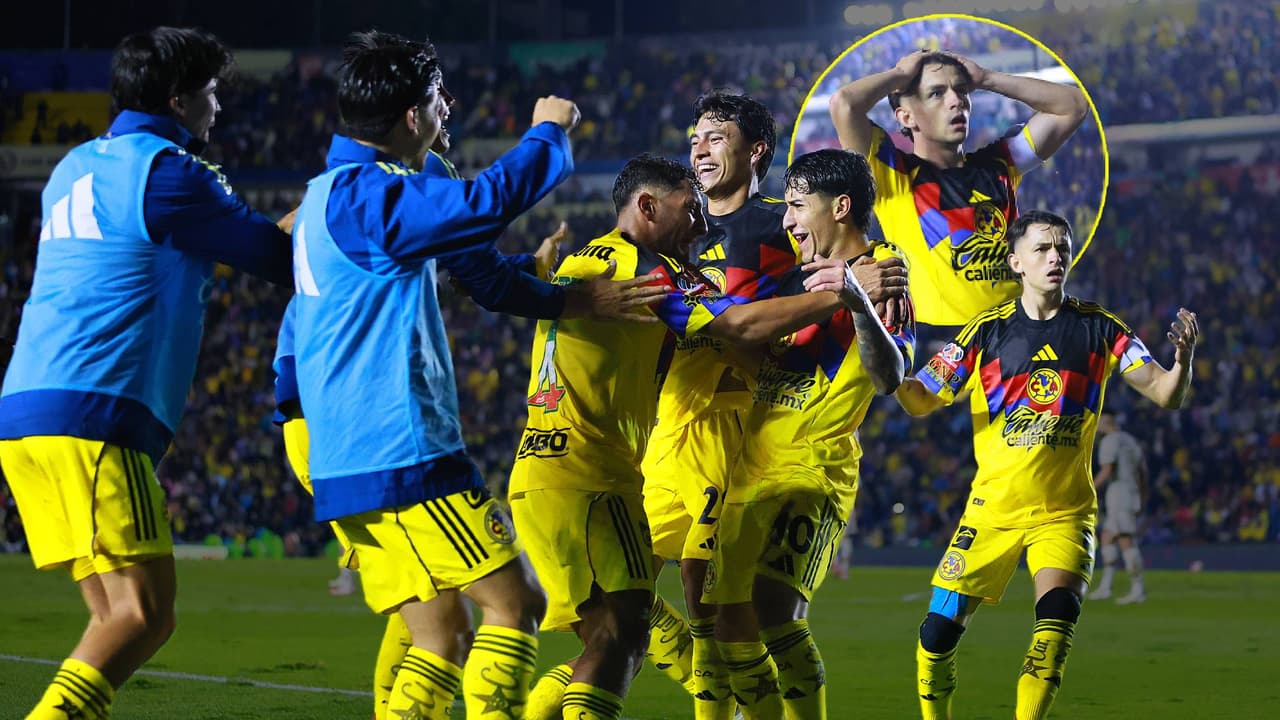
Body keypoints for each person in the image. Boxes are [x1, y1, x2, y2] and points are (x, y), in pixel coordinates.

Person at [290, 30, 668, 720]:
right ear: (412, 116)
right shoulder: (365, 195)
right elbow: (488, 201)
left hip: (350, 446)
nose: (448, 107)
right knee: (513, 604)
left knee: (438, 636)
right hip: (397, 446)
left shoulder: (335, 194)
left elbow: (485, 278)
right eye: (438, 98)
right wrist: (547, 134)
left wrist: (563, 294)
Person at [0, 26, 295, 719]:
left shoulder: (73, 164)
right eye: (211, 93)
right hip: (94, 410)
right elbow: (276, 259)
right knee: (144, 615)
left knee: (112, 617)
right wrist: (338, 203)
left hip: (27, 411)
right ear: (178, 100)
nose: (218, 108)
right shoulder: (167, 172)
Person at [512, 154, 863, 720]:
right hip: (595, 474)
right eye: (691, 209)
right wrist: (846, 290)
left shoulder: (585, 260)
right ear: (647, 207)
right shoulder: (650, 271)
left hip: (545, 469)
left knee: (619, 633)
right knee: (640, 632)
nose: (703, 225)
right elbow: (739, 325)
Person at [895, 210, 1197, 720]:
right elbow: (918, 399)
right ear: (1016, 261)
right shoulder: (984, 333)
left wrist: (1184, 360)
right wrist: (889, 356)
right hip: (991, 510)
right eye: (1041, 248)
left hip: (1065, 512)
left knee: (1055, 625)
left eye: (1062, 246)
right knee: (937, 632)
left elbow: (1166, 394)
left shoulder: (1102, 329)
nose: (1055, 256)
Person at [702, 148, 913, 720]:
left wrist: (858, 302)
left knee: (775, 609)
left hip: (813, 469)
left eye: (798, 207)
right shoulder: (790, 280)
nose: (789, 220)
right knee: (727, 624)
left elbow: (890, 375)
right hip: (747, 470)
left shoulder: (885, 273)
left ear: (840, 207)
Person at [829, 49, 1087, 355]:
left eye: (961, 90)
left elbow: (1073, 106)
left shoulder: (1001, 163)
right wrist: (899, 75)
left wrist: (987, 78)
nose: (956, 101)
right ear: (906, 117)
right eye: (937, 93)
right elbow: (844, 104)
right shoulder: (890, 174)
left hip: (1020, 335)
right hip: (943, 346)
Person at [1089, 413, 1148, 604]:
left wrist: (1089, 489)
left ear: (1105, 423)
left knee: (1125, 539)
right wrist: (1142, 496)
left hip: (1119, 492)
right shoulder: (1130, 440)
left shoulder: (1109, 442)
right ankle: (1106, 587)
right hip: (1130, 491)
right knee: (1107, 536)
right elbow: (1142, 471)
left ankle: (1138, 589)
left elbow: (1107, 470)